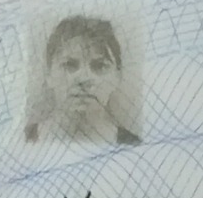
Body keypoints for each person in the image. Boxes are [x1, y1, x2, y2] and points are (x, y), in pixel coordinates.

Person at [27, 12, 140, 147]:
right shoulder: (20, 140)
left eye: (100, 66)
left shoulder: (136, 147)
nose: (84, 79)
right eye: (69, 65)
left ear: (118, 77)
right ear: (48, 74)